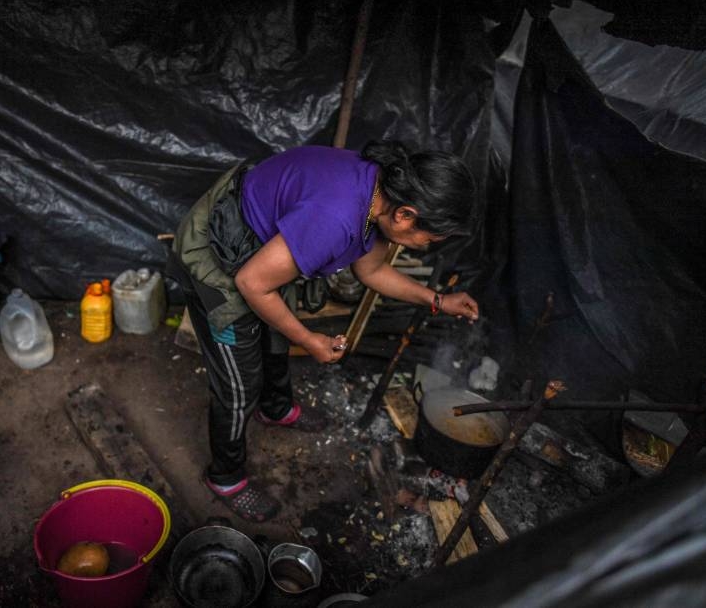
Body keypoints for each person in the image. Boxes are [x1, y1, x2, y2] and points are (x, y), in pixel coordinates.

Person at [167, 141, 480, 522]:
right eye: (428, 240)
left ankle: (277, 409)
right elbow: (251, 282)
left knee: (274, 338)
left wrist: (438, 300)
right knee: (238, 385)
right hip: (220, 257)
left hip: (266, 248)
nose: (426, 248)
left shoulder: (380, 194)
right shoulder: (337, 218)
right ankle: (226, 477)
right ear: (406, 214)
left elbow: (372, 272)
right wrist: (309, 339)